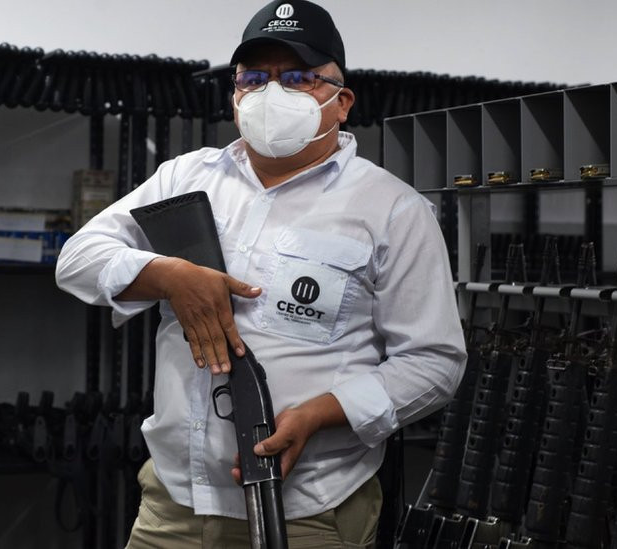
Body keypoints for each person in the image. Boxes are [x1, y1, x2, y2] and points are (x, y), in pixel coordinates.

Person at [56, 1, 466, 546]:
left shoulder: (393, 209)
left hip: (307, 510)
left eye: (296, 77)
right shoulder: (185, 176)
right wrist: (166, 274)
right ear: (234, 93)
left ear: (341, 103)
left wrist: (322, 413)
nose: (272, 93)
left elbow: (434, 363)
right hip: (171, 503)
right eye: (254, 77)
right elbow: (78, 258)